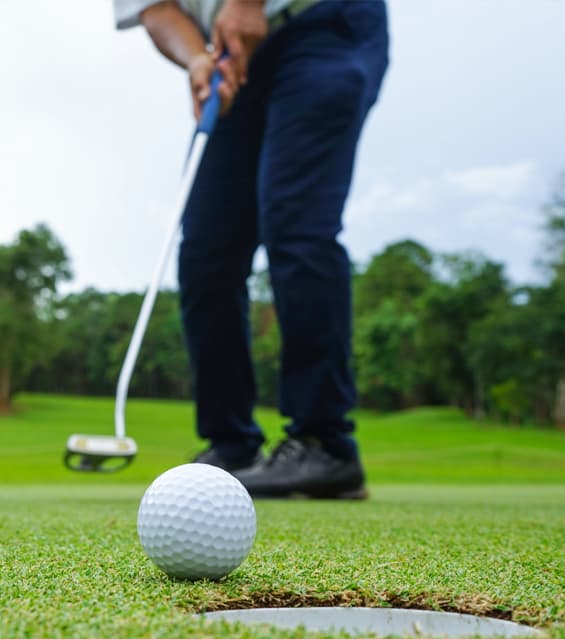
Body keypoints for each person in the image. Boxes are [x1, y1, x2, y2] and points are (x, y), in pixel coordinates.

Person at [114, 0, 389, 498]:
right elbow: (155, 10)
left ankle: (324, 443)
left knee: (296, 222)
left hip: (323, 23)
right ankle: (230, 445)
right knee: (206, 247)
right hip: (230, 58)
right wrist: (197, 58)